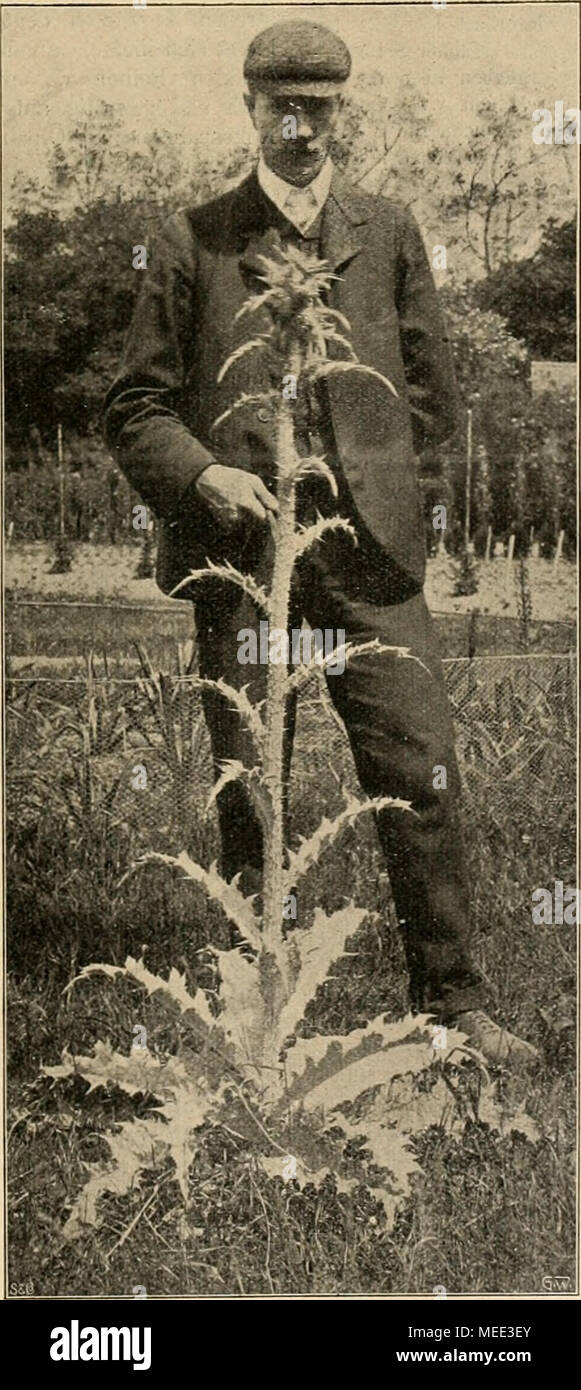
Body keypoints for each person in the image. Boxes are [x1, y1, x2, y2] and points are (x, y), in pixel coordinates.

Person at [104, 19, 537, 1066]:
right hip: (245, 563)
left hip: (368, 562)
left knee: (422, 767)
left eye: (320, 107)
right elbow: (135, 406)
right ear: (246, 106)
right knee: (252, 786)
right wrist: (204, 474)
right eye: (279, 107)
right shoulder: (191, 237)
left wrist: (402, 497)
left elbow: (433, 392)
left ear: (343, 109)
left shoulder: (386, 231)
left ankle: (454, 1002)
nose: (300, 128)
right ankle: (262, 1015)